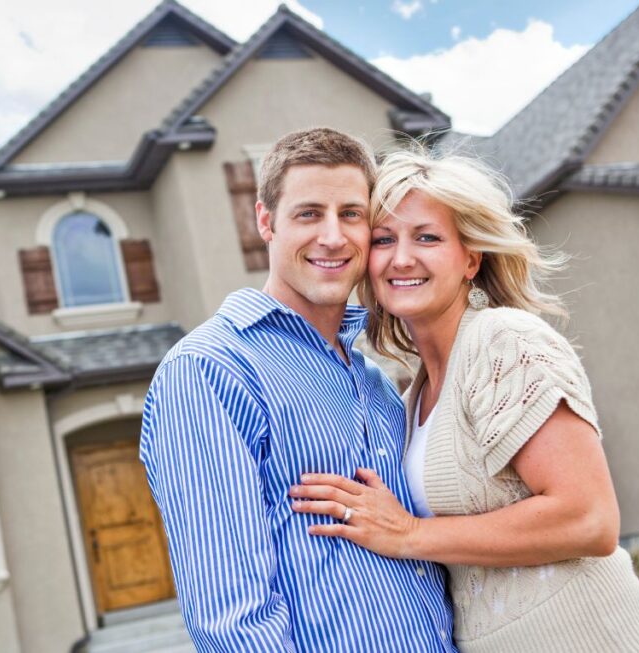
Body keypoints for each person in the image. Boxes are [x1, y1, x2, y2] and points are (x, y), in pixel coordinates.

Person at [289, 147, 639, 653]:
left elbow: (589, 519)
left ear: (470, 257)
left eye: (427, 237)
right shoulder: (413, 396)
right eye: (384, 239)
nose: (401, 257)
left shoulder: (504, 342)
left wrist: (407, 534)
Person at [140, 128, 456, 652]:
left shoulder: (373, 382)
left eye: (351, 214)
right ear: (265, 222)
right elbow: (231, 618)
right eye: (309, 214)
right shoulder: (208, 370)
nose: (333, 237)